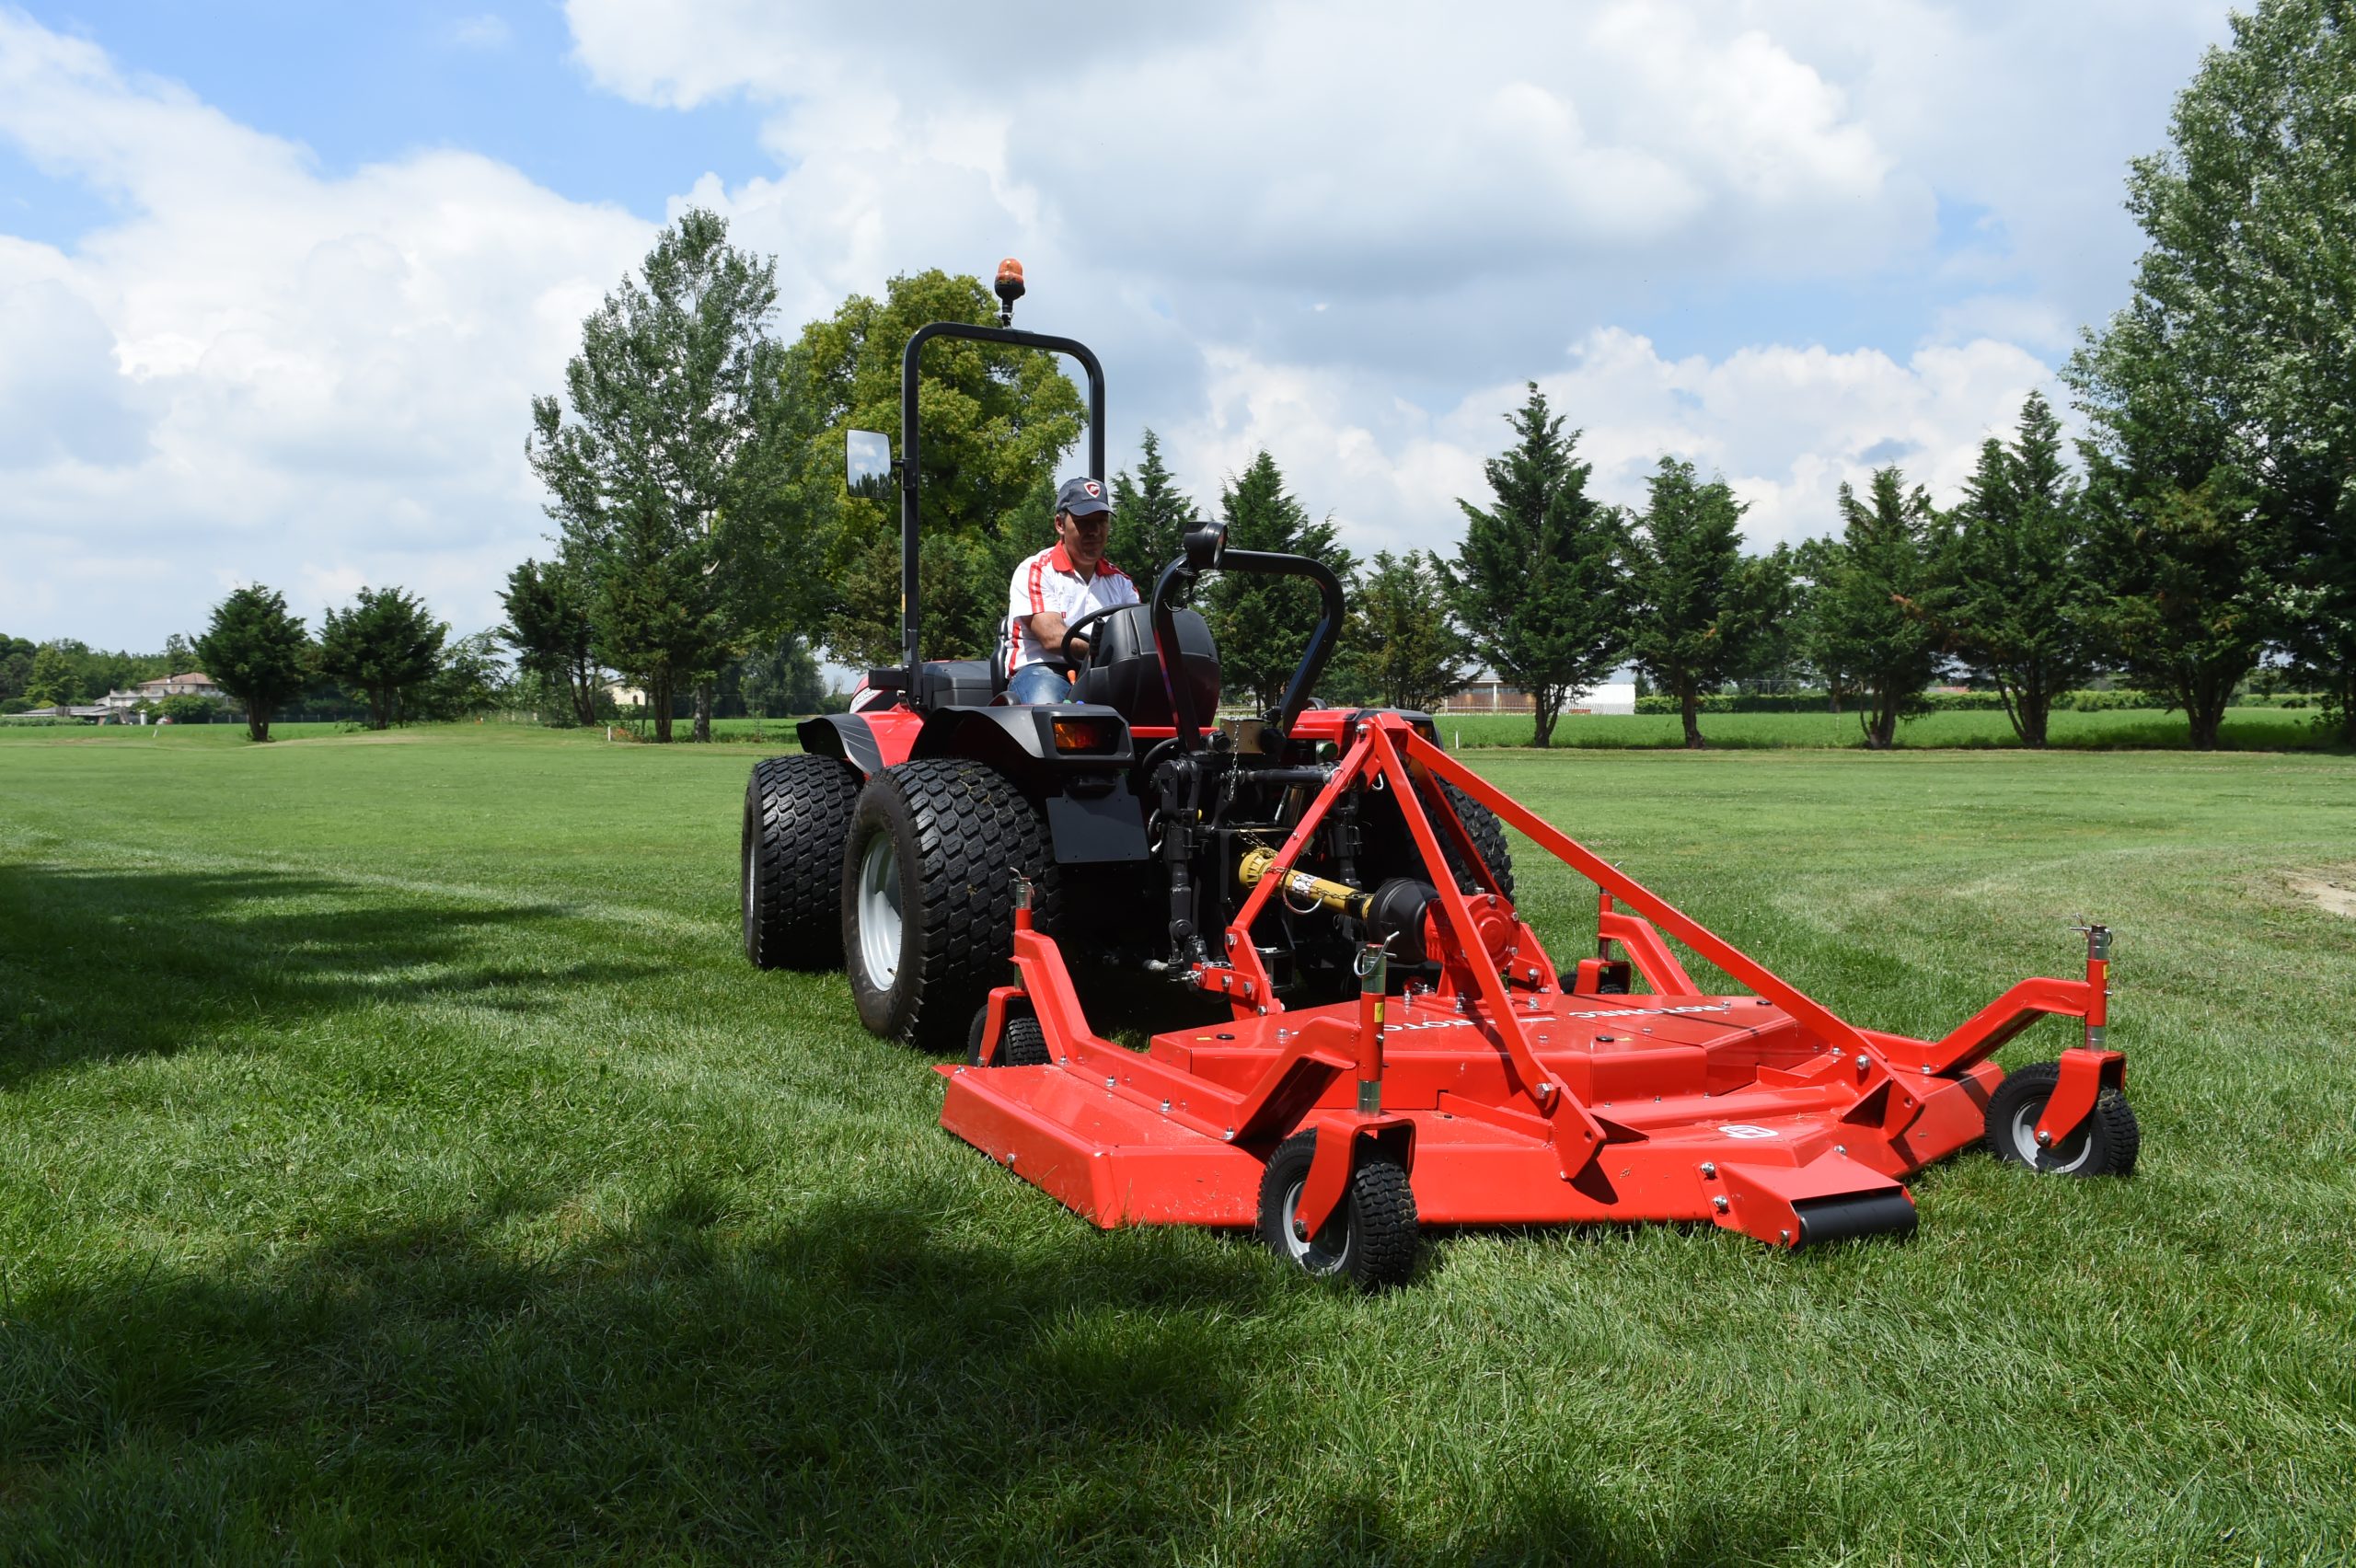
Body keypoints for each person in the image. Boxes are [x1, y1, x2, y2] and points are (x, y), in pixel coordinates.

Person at [1004, 476, 1139, 704]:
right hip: (1043, 669)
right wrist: (1108, 649)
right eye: (1084, 521)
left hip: (1104, 672)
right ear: (1060, 524)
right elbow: (1052, 637)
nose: (1094, 531)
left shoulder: (1121, 582)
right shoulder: (1036, 570)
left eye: (1101, 521)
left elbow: (1137, 640)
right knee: (1051, 712)